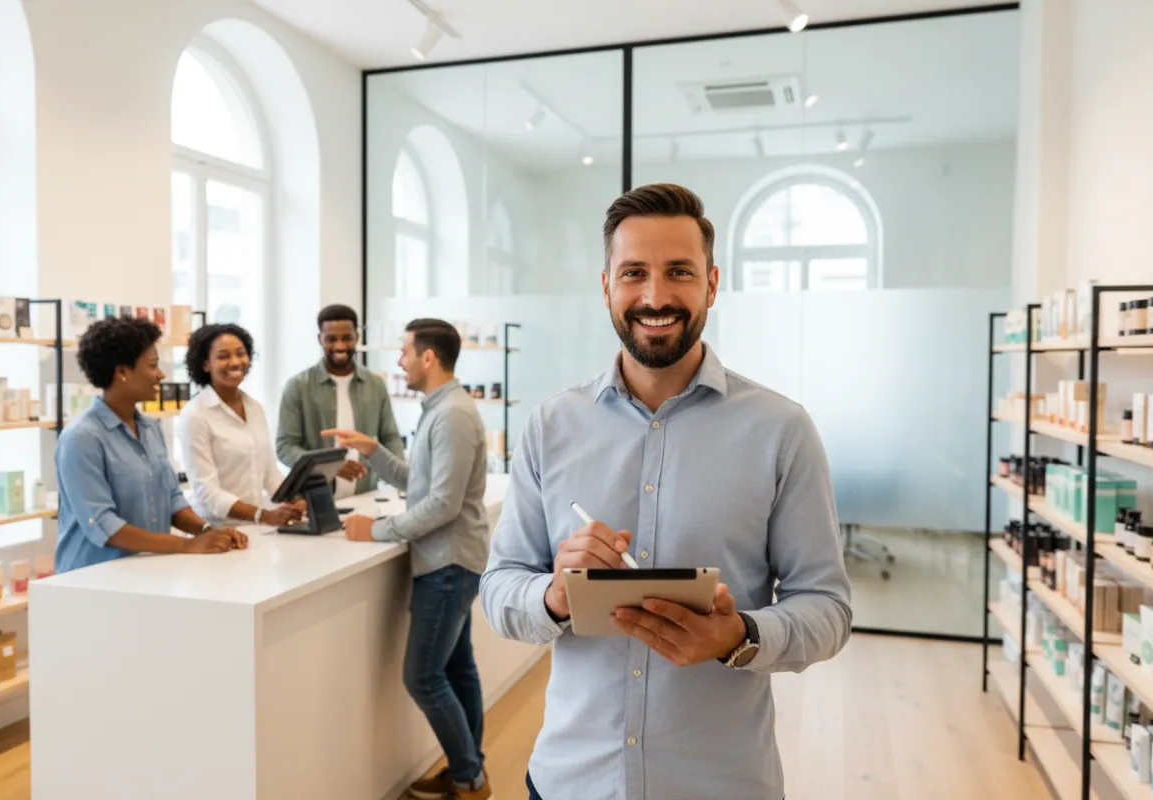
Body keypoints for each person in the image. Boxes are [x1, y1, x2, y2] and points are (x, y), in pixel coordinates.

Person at [479, 184, 852, 800]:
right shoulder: (551, 426)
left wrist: (741, 637)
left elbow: (828, 608)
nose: (655, 297)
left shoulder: (781, 431)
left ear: (711, 283)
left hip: (720, 783)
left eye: (679, 272)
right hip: (571, 781)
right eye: (634, 273)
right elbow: (497, 588)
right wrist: (553, 594)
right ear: (607, 287)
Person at [323, 319, 492, 800]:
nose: (398, 361)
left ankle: (470, 780)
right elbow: (421, 482)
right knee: (458, 671)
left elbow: (443, 505)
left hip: (448, 564)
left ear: (428, 358)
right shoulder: (442, 410)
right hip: (451, 561)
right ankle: (468, 770)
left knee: (422, 676)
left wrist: (373, 531)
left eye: (404, 352)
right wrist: (372, 450)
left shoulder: (453, 415)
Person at [55, 317, 248, 574]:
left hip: (147, 572)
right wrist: (187, 545)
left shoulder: (150, 428)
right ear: (122, 372)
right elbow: (103, 524)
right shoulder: (81, 438)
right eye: (153, 366)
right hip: (92, 578)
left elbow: (172, 499)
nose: (161, 374)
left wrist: (210, 532)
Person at [175, 323, 304, 527]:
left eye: (240, 354)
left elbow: (269, 472)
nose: (235, 362)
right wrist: (263, 515)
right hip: (216, 531)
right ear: (206, 364)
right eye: (223, 356)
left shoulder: (255, 408)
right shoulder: (195, 415)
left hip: (257, 527)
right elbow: (206, 491)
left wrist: (295, 500)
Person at [276, 304, 403, 498]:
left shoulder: (376, 384)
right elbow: (285, 446)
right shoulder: (298, 386)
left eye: (346, 338)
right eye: (331, 339)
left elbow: (390, 437)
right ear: (320, 340)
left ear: (357, 338)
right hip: (314, 498)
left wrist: (401, 481)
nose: (340, 346)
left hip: (366, 496)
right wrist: (329, 467)